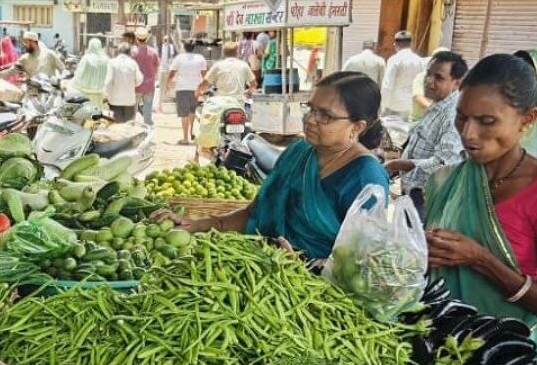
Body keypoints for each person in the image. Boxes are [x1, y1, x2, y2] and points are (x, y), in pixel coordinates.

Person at [423, 52, 537, 356]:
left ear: (528, 119)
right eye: (462, 117)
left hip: (507, 362)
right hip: (442, 347)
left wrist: (480, 259)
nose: (468, 133)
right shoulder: (445, 182)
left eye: (487, 121)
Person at [162, 72, 390, 261]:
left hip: (316, 296)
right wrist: (201, 224)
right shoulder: (298, 152)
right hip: (264, 268)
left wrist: (307, 265)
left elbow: (362, 262)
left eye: (326, 116)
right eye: (311, 109)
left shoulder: (365, 176)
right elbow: (255, 212)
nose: (310, 120)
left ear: (357, 127)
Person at [386, 50, 467, 216]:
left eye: (438, 78)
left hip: (427, 197)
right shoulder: (437, 106)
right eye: (428, 74)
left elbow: (444, 164)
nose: (429, 81)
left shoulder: (452, 115)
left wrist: (399, 164)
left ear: (456, 83)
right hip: (413, 190)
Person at [194, 43, 257, 161]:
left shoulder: (218, 66)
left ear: (224, 53)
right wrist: (248, 91)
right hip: (238, 104)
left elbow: (205, 84)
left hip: (220, 104)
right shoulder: (243, 65)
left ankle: (203, 149)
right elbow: (253, 84)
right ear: (237, 52)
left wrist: (198, 92)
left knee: (202, 120)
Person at [162, 40, 209, 145]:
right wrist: (204, 88)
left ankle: (185, 138)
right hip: (196, 88)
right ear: (194, 47)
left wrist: (167, 86)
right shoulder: (200, 58)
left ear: (184, 47)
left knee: (184, 114)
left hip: (182, 88)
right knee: (192, 111)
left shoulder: (179, 58)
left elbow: (171, 73)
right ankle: (191, 131)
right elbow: (205, 74)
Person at [380, 30, 427, 118]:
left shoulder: (394, 60)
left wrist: (383, 105)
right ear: (411, 44)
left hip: (394, 106)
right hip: (411, 106)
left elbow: (387, 85)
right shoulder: (419, 60)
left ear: (395, 44)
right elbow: (422, 83)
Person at [131, 26, 160, 127]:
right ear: (147, 38)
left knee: (132, 112)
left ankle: (131, 131)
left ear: (136, 38)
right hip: (149, 85)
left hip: (135, 86)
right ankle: (147, 130)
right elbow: (157, 67)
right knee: (148, 112)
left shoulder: (133, 52)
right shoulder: (153, 52)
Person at [104, 44, 140, 123]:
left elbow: (108, 81)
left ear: (118, 51)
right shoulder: (133, 63)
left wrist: (107, 94)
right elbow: (139, 79)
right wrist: (132, 85)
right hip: (130, 101)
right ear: (129, 52)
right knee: (128, 127)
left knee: (116, 129)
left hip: (115, 101)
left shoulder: (112, 62)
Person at [72, 37, 109, 110]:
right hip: (101, 93)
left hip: (87, 93)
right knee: (101, 113)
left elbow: (80, 73)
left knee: (88, 114)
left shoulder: (86, 58)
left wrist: (74, 82)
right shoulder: (106, 59)